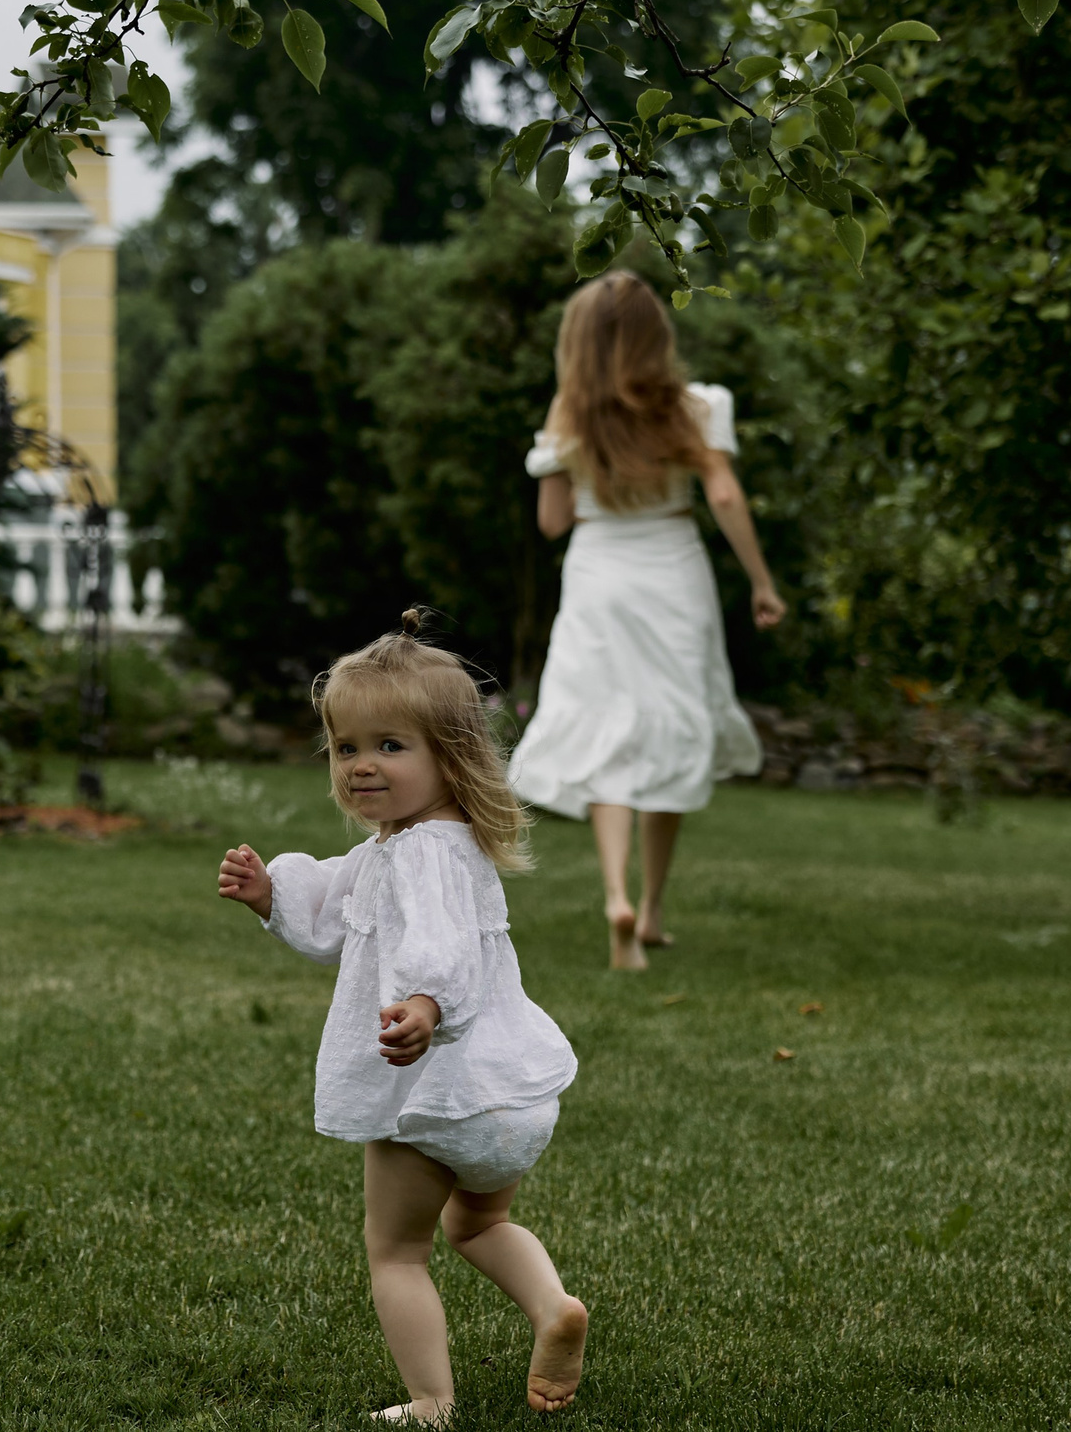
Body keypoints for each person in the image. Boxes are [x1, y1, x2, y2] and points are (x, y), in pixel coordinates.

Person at [217, 615, 586, 1423]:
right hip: (510, 1101)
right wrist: (275, 896)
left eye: (390, 746)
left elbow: (438, 946)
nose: (362, 766)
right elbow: (340, 914)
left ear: (449, 758)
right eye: (347, 747)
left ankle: (430, 1400)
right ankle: (553, 1304)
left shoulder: (420, 854)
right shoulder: (429, 843)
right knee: (481, 1222)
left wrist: (423, 1004)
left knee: (396, 1249)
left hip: (434, 1093)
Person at [508, 270, 788, 970]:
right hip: (673, 566)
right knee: (669, 728)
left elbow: (552, 524)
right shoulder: (697, 407)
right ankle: (655, 908)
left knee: (608, 730)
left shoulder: (569, 414)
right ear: (657, 335)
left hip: (600, 573)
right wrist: (761, 581)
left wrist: (580, 465)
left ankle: (615, 900)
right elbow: (722, 492)